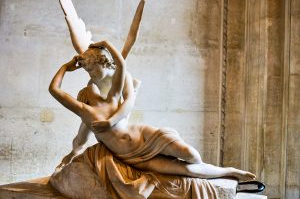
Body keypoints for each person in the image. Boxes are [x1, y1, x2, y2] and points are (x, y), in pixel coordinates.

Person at [49, 40, 256, 181]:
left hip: (147, 138)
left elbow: (121, 65)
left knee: (192, 155)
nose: (91, 80)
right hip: (133, 157)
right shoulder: (85, 112)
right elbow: (54, 90)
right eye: (88, 78)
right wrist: (66, 67)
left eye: (92, 71)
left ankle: (226, 170)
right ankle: (230, 172)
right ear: (83, 97)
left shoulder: (112, 97)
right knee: (186, 170)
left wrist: (104, 44)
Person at [56, 0, 147, 169]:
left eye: (91, 69)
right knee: (81, 137)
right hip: (97, 109)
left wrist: (142, 2)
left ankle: (120, 161)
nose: (89, 73)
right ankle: (74, 153)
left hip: (117, 110)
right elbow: (75, 35)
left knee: (118, 138)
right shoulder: (92, 80)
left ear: (104, 62)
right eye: (87, 70)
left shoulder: (120, 73)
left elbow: (131, 37)